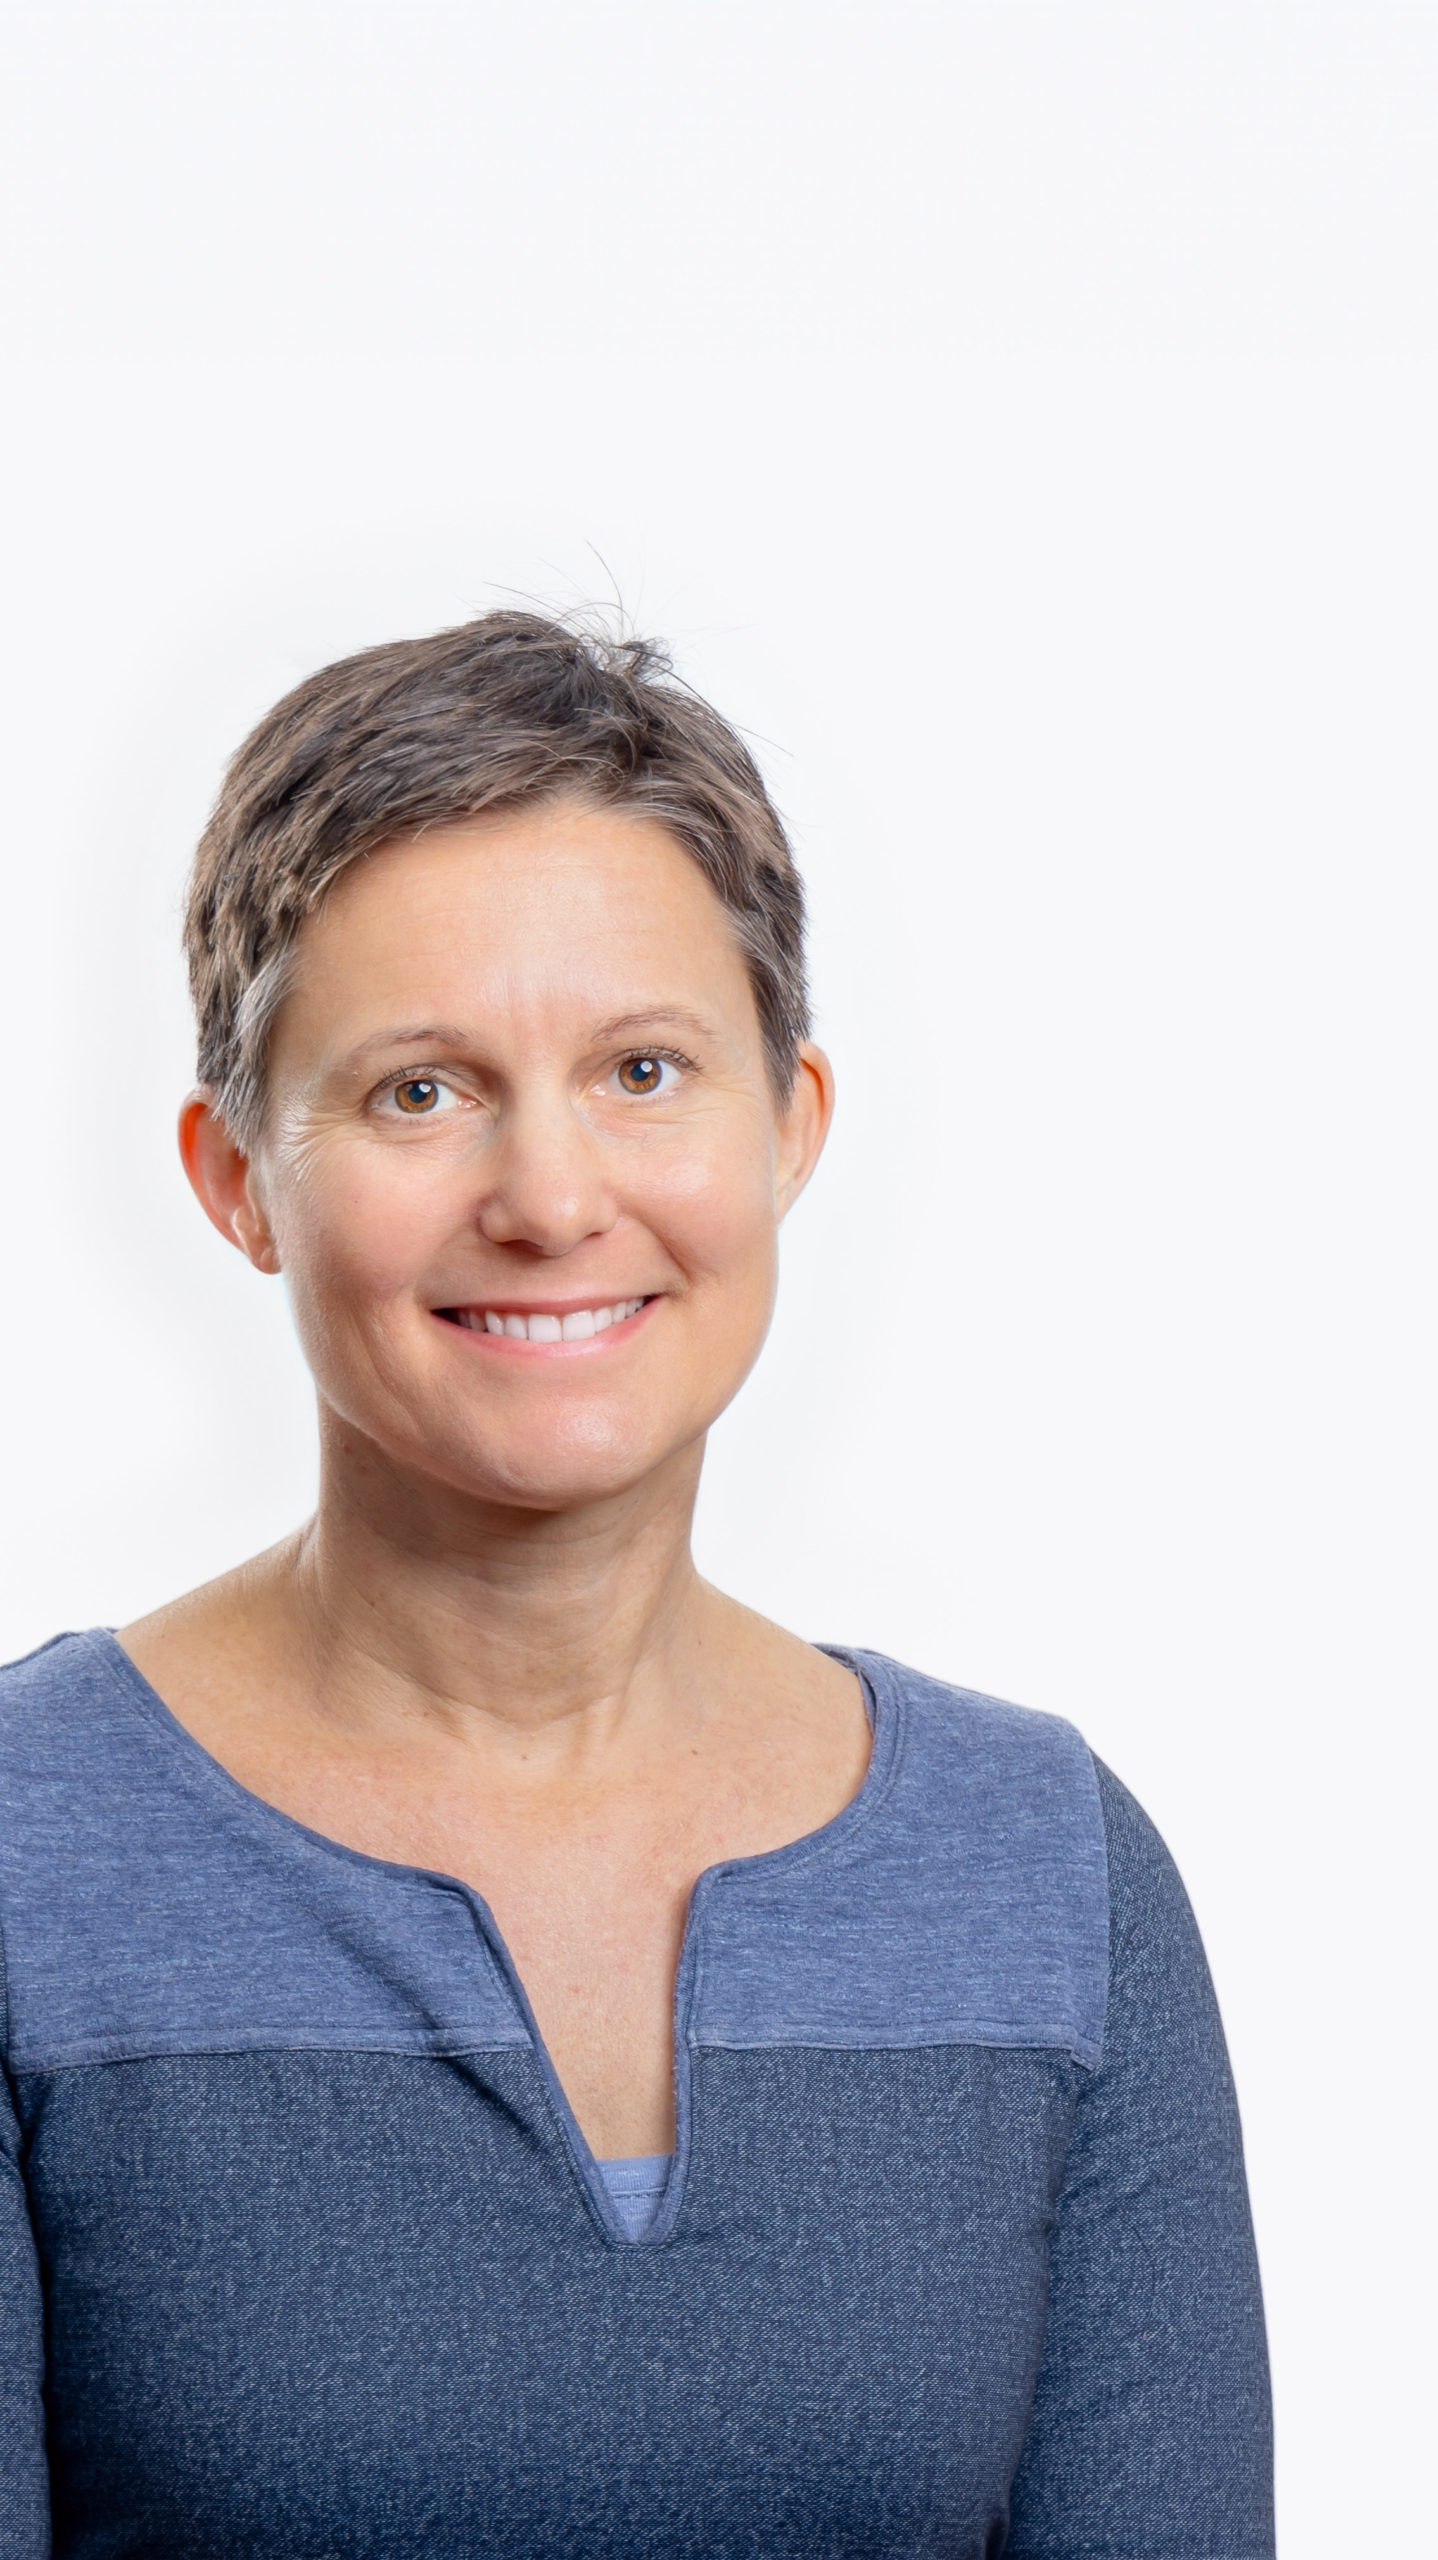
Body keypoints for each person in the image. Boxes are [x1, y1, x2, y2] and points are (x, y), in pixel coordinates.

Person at [0, 612, 1273, 2559]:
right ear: (238, 1173)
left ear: (790, 1127)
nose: (548, 1196)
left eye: (643, 1068)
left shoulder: (1051, 1875)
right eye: (420, 1090)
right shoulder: (24, 1848)